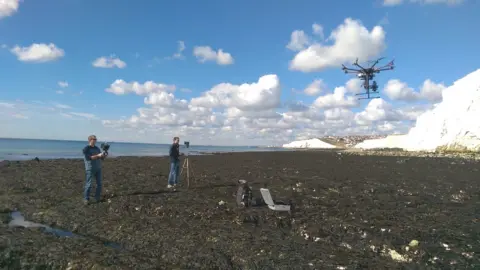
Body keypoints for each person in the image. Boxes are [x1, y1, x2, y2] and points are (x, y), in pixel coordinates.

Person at [82, 135, 107, 205]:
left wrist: (103, 155)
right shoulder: (86, 149)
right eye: (94, 139)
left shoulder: (97, 148)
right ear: (90, 140)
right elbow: (89, 158)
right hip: (90, 169)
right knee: (89, 184)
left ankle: (97, 197)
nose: (95, 140)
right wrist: (98, 155)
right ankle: (86, 199)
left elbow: (101, 158)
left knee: (99, 184)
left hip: (98, 168)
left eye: (96, 139)